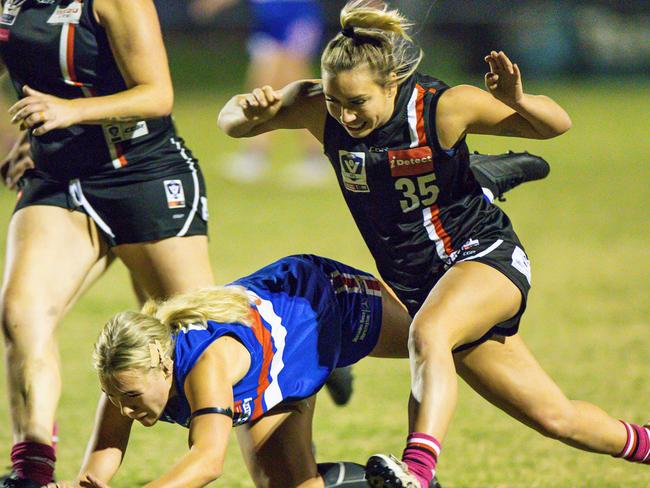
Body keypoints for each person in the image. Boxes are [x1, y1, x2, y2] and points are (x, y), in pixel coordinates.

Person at [217, 1, 648, 486]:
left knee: (429, 333)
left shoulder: (441, 107)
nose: (345, 114)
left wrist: (518, 99)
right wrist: (248, 110)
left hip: (484, 257)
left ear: (393, 83)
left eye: (358, 102)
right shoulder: (321, 108)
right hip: (425, 286)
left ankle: (418, 473)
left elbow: (556, 124)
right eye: (336, 102)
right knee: (556, 418)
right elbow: (231, 122)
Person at [0, 0, 215, 485]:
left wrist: (68, 111)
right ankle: (32, 470)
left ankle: (294, 351)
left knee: (200, 335)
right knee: (20, 312)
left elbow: (157, 93)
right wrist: (30, 134)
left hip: (140, 173)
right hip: (57, 177)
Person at [49, 254, 445, 488]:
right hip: (278, 372)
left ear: (164, 364)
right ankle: (320, 376)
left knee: (446, 340)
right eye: (116, 398)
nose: (125, 409)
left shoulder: (206, 366)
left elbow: (207, 460)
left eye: (131, 398)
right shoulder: (126, 377)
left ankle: (465, 184)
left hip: (325, 304)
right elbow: (102, 456)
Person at [190, 0, 331, 186]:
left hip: (295, 17)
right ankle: (256, 155)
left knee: (296, 87)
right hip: (269, 23)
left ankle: (315, 158)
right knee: (263, 86)